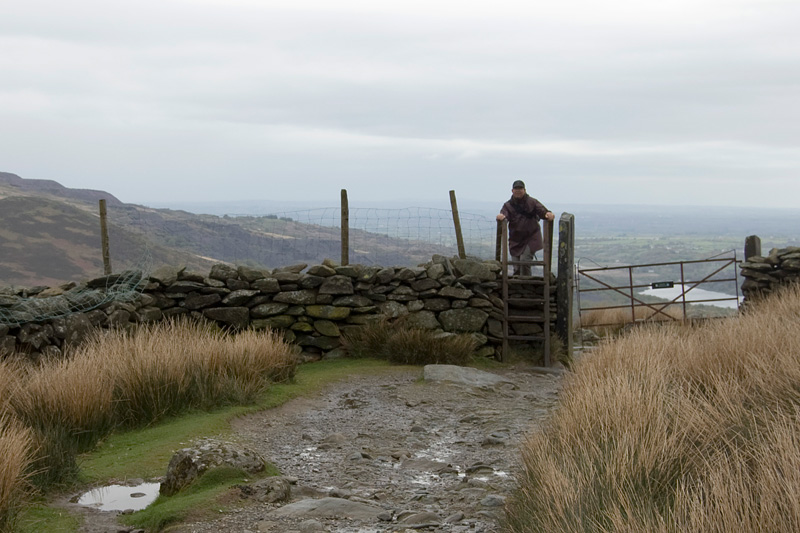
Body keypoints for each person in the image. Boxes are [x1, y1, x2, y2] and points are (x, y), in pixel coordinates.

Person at [496, 180, 555, 276]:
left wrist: (547, 214)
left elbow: (541, 210)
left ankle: (527, 284)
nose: (518, 190)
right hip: (515, 239)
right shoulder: (508, 205)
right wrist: (501, 216)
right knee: (516, 266)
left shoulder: (532, 202)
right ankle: (519, 287)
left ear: (525, 190)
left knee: (524, 261)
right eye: (516, 188)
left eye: (520, 188)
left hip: (531, 237)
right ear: (512, 190)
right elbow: (504, 214)